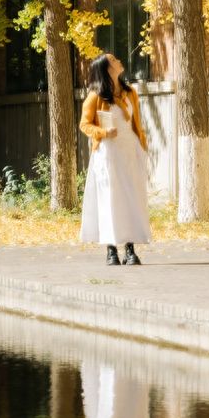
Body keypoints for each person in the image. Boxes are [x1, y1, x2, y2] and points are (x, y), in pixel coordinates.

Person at [79, 52, 151, 265]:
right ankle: (111, 250)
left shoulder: (130, 93)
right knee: (110, 199)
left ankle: (130, 249)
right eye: (113, 60)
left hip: (129, 150)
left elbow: (136, 124)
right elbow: (84, 124)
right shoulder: (95, 95)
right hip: (107, 154)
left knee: (131, 197)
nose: (119, 61)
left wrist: (142, 145)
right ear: (106, 68)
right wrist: (102, 133)